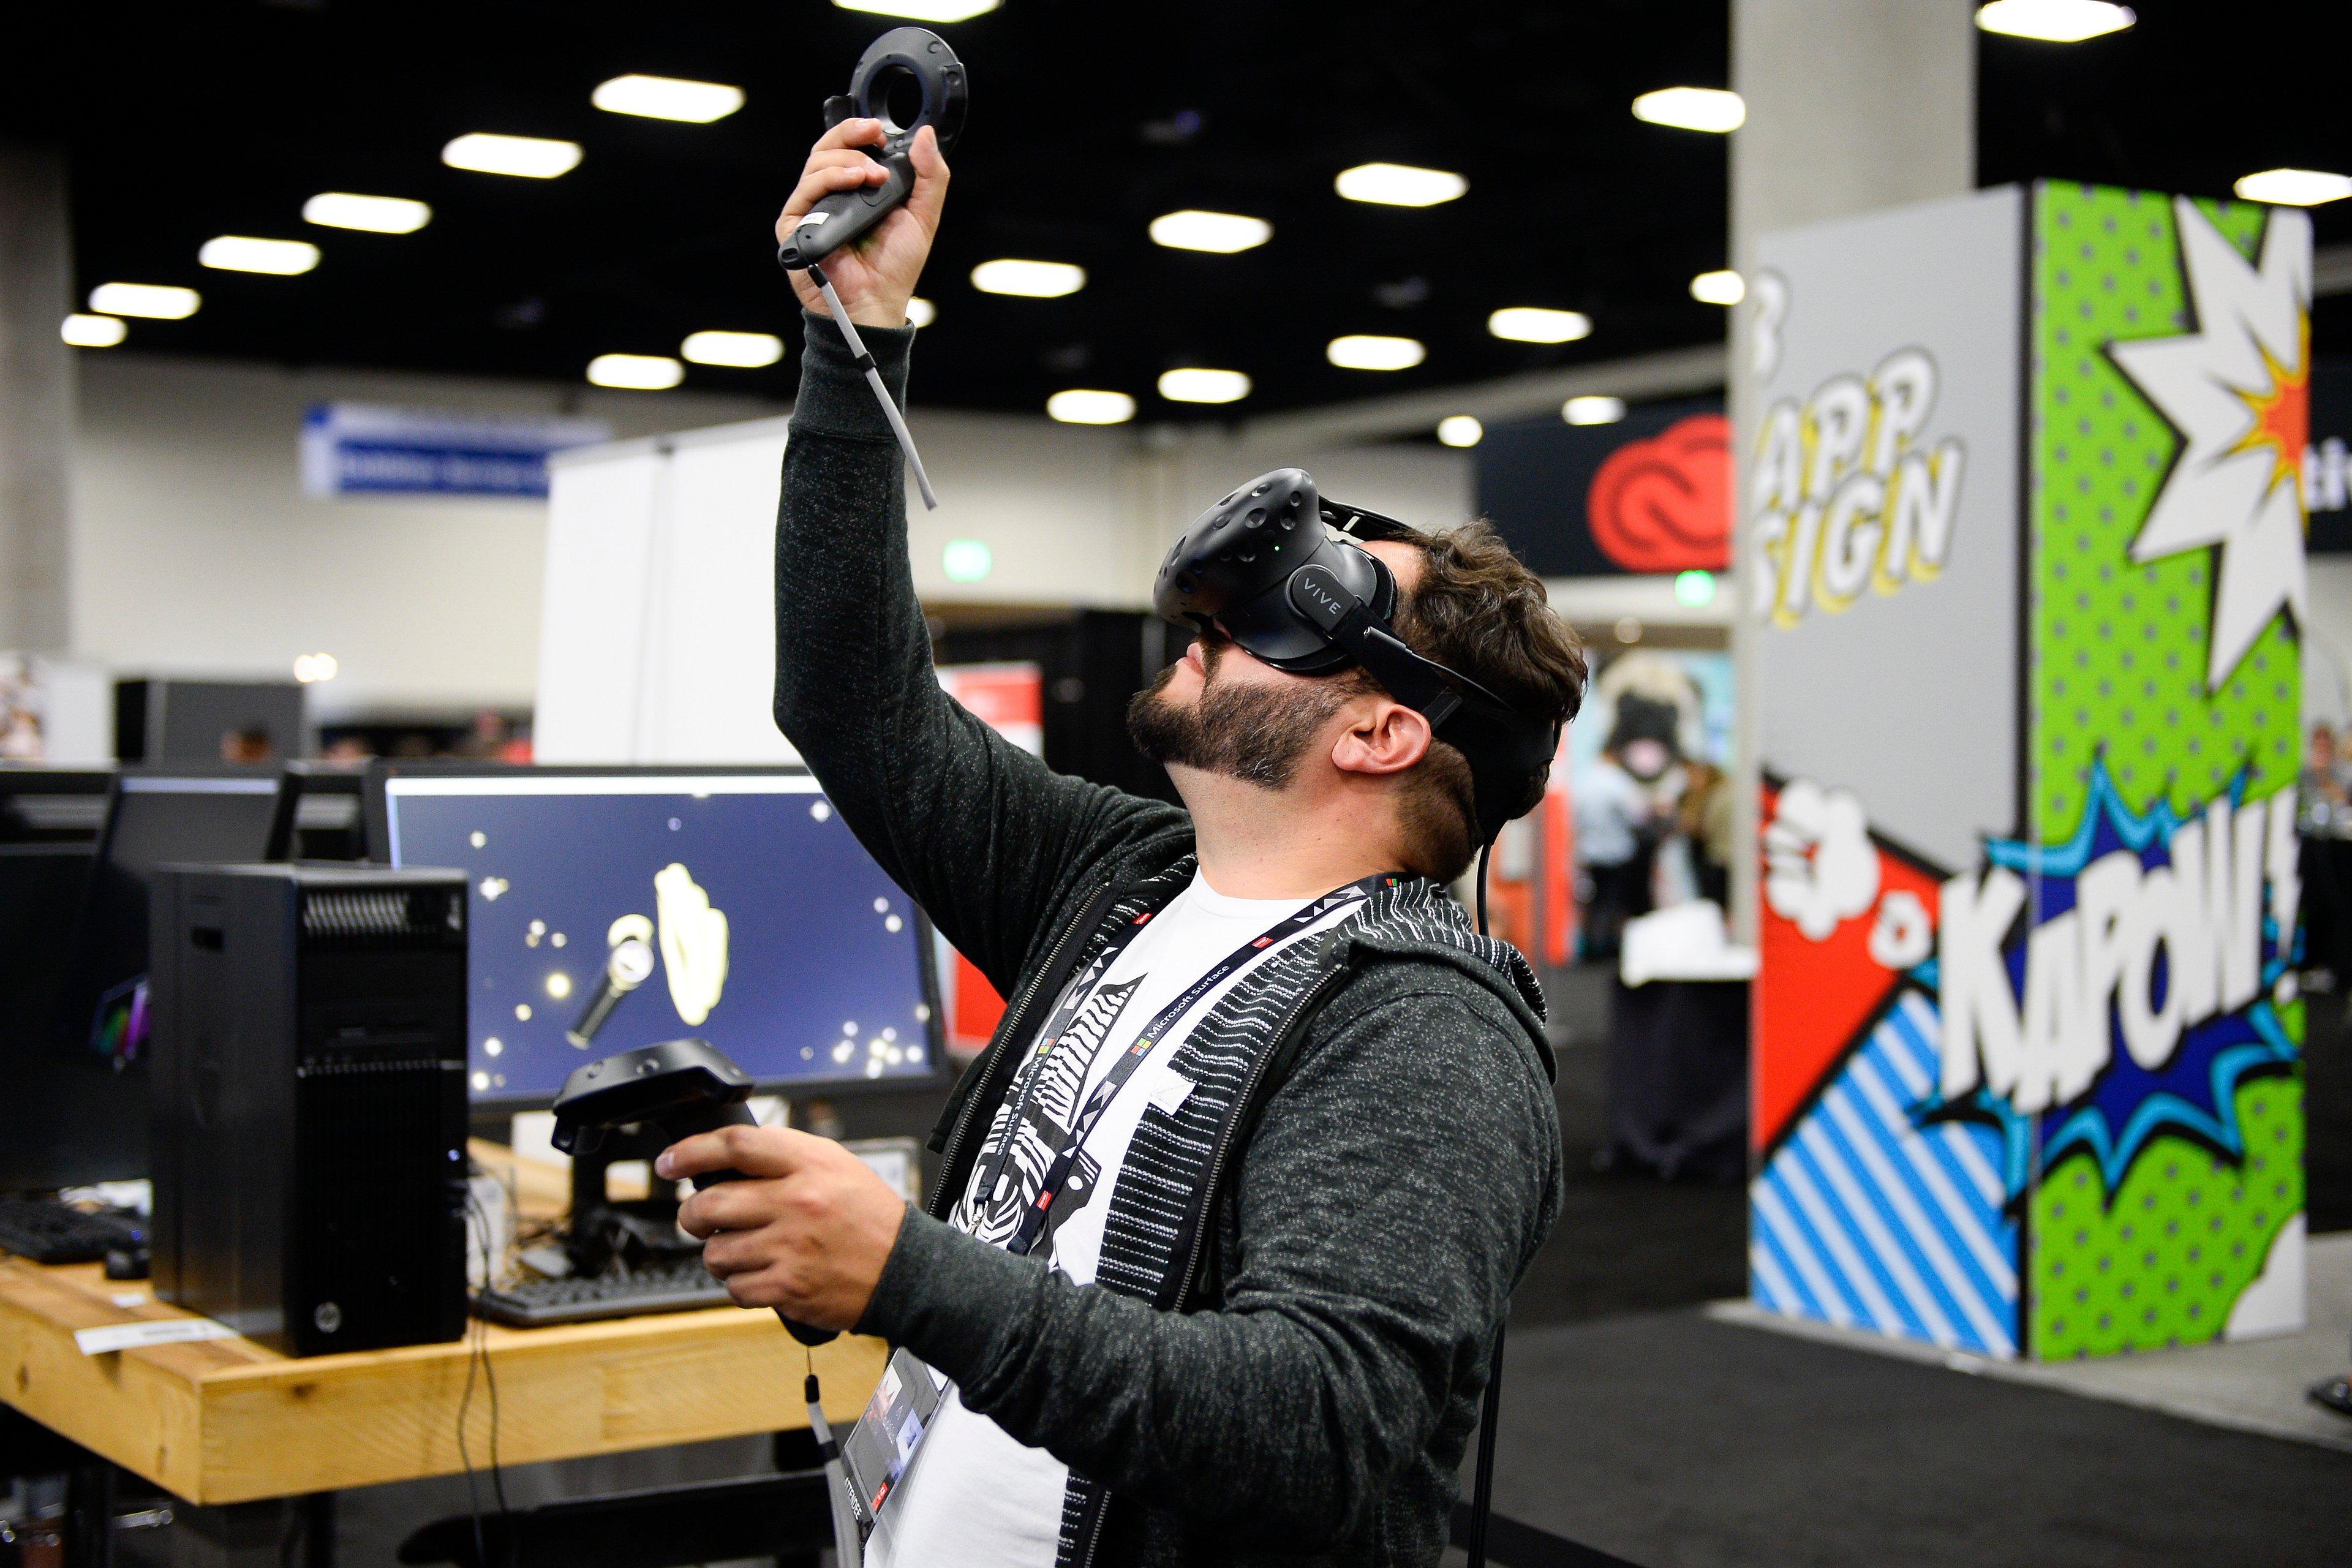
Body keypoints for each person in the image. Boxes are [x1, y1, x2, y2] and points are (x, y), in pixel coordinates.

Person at [652, 115, 1586, 1567]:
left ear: (1386, 734)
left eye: (1304, 610)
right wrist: (858, 332)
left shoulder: (1421, 1033)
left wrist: (912, 1272)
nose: (1213, 624)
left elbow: (1323, 1423)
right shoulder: (1126, 880)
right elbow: (848, 696)